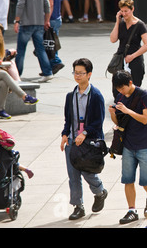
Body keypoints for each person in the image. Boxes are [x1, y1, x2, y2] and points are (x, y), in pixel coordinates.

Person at [60, 58, 108, 220]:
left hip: (89, 143)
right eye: (75, 72)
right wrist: (64, 134)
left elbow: (98, 122)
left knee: (88, 173)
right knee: (73, 176)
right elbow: (68, 119)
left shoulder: (96, 96)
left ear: (89, 74)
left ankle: (100, 191)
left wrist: (85, 133)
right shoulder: (70, 96)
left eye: (81, 73)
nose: (77, 76)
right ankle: (78, 206)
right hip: (73, 142)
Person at [109, 70, 147, 224]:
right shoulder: (120, 97)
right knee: (128, 179)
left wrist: (127, 111)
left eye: (122, 88)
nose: (120, 92)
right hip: (128, 144)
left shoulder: (144, 95)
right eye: (118, 90)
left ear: (130, 83)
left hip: (144, 143)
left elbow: (145, 119)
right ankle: (132, 210)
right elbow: (119, 122)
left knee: (145, 180)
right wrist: (112, 113)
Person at [0, 26, 38, 119]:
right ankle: (24, 96)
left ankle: (0, 110)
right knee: (3, 74)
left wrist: (0, 62)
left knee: (3, 83)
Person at [14, 0, 53, 83]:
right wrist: (46, 20)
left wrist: (17, 21)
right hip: (39, 23)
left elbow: (20, 4)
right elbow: (47, 5)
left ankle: (16, 74)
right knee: (40, 48)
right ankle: (47, 72)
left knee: (21, 50)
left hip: (26, 23)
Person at [109, 0, 147, 96]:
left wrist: (132, 56)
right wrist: (117, 21)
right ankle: (119, 109)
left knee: (134, 89)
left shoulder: (140, 25)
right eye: (122, 11)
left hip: (135, 60)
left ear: (132, 9)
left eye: (126, 11)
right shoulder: (121, 23)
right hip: (121, 60)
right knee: (117, 89)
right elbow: (113, 39)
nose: (124, 14)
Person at [38, 0, 65, 75]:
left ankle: (55, 62)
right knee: (51, 43)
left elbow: (50, 3)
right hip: (57, 18)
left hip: (52, 19)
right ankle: (51, 65)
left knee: (48, 44)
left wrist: (46, 19)